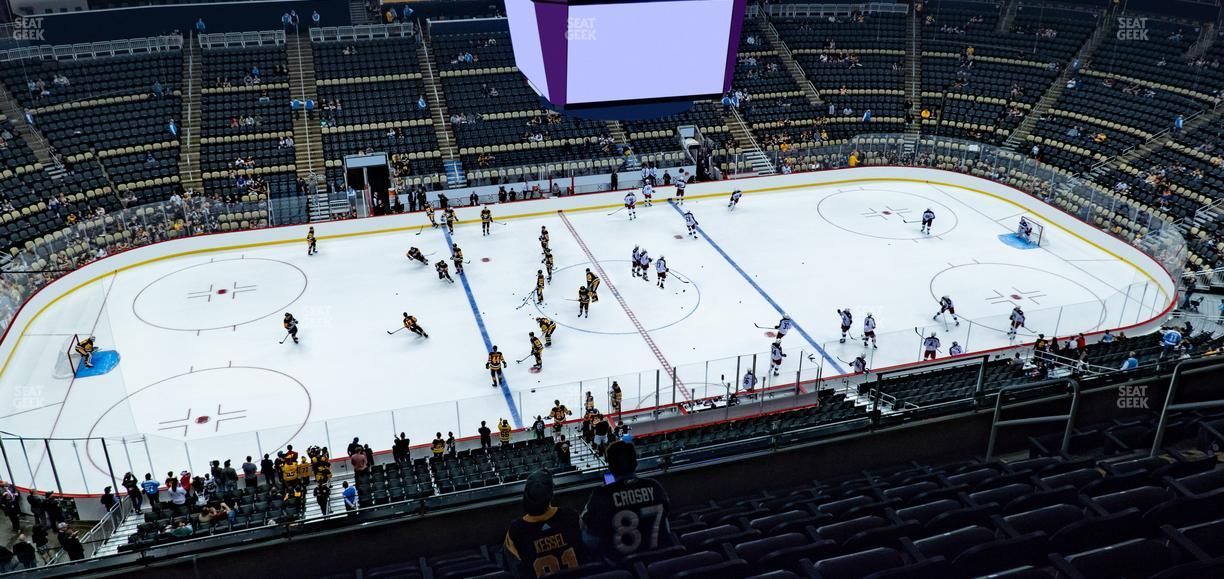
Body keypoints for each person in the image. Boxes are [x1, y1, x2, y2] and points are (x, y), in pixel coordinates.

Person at [581, 442, 672, 561]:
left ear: (610, 467)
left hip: (621, 569)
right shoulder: (655, 487)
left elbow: (590, 540)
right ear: (635, 463)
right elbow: (666, 528)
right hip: (661, 563)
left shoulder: (602, 494)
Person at [502, 470, 586, 577]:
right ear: (551, 494)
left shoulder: (515, 531)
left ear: (526, 495)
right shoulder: (571, 516)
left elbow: (511, 570)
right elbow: (590, 549)